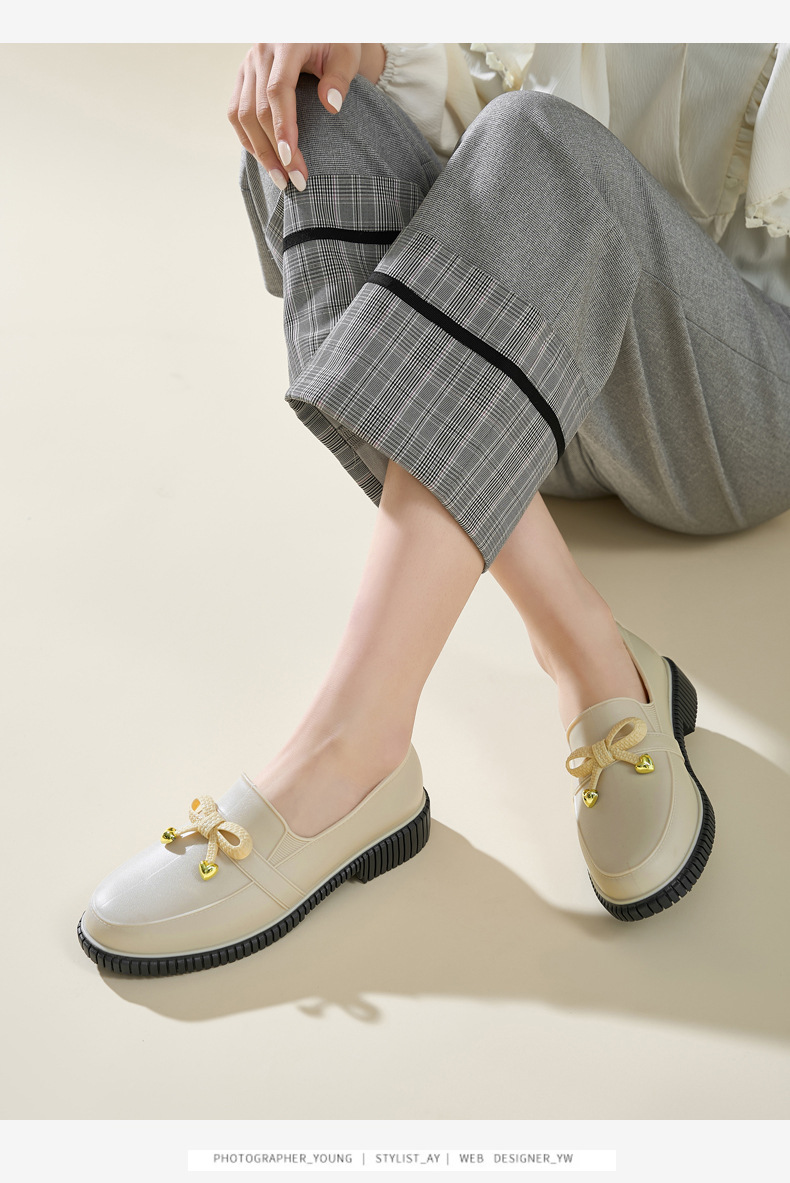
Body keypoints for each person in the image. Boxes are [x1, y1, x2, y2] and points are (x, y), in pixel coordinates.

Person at [77, 42, 790, 976]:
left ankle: (349, 744)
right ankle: (583, 645)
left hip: (725, 407)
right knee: (316, 109)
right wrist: (360, 50)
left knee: (541, 140)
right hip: (520, 375)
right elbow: (492, 104)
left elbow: (541, 150)